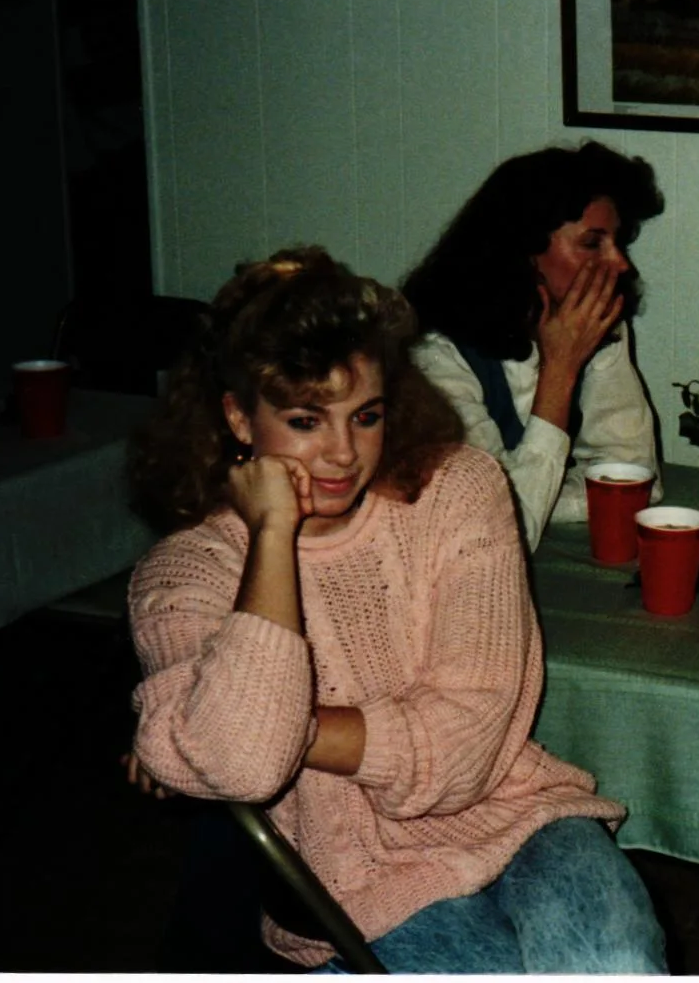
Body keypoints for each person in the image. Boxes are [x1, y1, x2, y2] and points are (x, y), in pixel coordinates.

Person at [124, 246, 666, 973]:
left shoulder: (458, 490)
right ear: (239, 418)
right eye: (306, 420)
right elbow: (245, 766)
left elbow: (466, 744)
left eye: (366, 415)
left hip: (517, 812)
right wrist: (272, 535)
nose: (343, 453)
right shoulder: (185, 571)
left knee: (616, 962)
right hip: (348, 872)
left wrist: (237, 731)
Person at [402, 141, 665, 552]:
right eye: (592, 243)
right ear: (522, 251)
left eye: (617, 242)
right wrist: (559, 370)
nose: (620, 264)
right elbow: (504, 532)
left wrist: (538, 496)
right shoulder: (436, 354)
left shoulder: (593, 321)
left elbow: (633, 477)